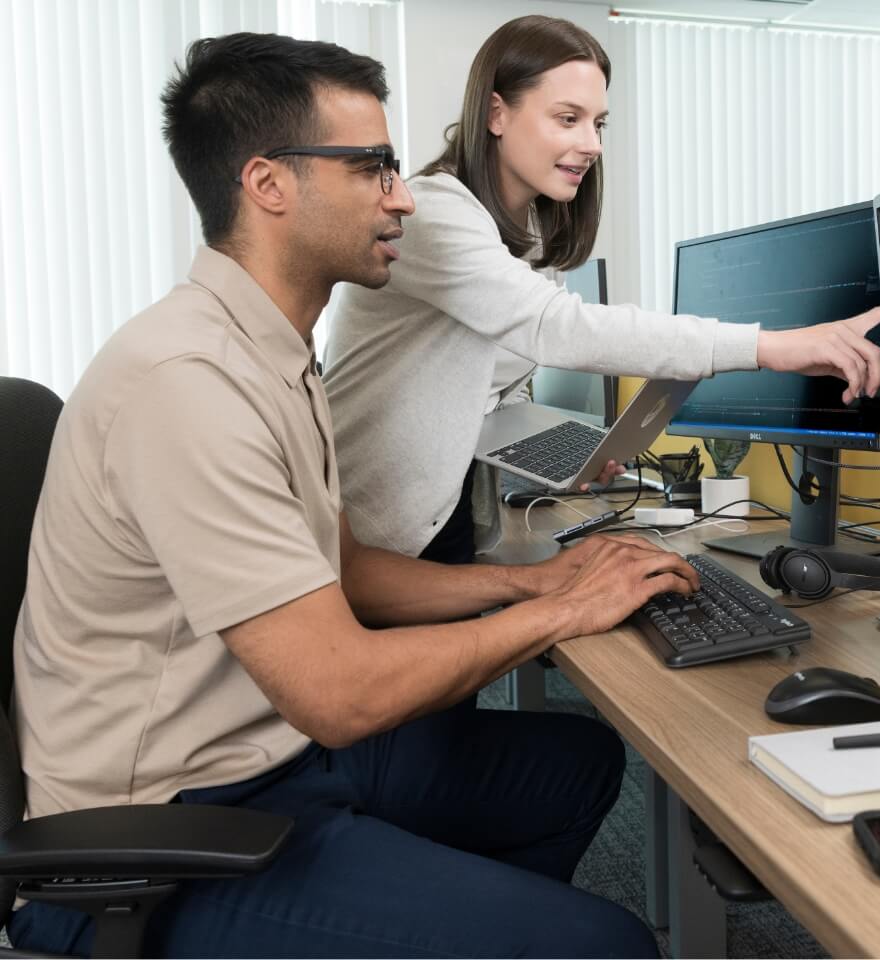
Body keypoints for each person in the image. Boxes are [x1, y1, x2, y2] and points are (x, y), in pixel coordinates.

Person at [10, 31, 698, 958]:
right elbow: (336, 692)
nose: (405, 195)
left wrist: (533, 584)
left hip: (269, 753)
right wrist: (566, 612)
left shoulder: (272, 353)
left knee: (571, 769)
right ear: (268, 185)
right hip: (160, 834)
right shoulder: (189, 382)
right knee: (603, 945)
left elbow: (348, 574)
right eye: (373, 167)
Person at [323, 14, 880, 565]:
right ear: (497, 114)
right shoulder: (434, 213)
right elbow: (556, 328)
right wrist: (775, 347)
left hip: (438, 511)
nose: (593, 144)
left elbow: (479, 387)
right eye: (567, 118)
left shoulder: (522, 236)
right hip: (376, 531)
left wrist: (554, 453)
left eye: (598, 123)